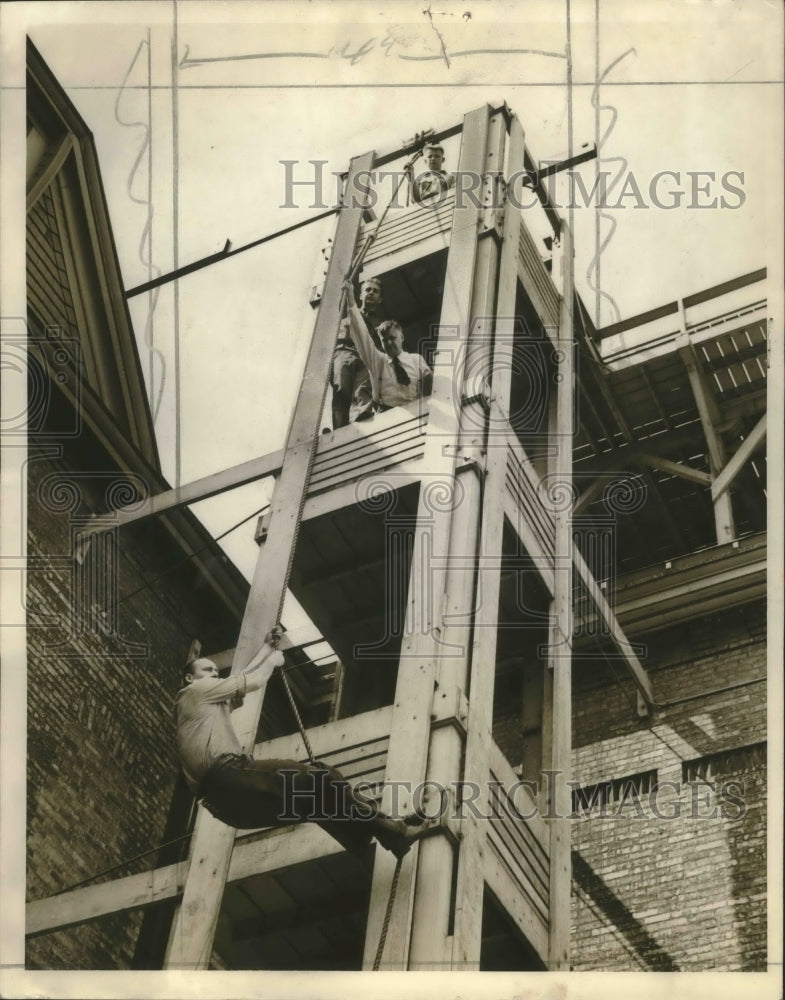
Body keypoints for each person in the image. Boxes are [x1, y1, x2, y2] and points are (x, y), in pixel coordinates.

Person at [175, 636, 427, 858]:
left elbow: (242, 677)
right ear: (189, 677)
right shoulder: (194, 692)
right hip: (228, 776)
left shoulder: (206, 705)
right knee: (324, 778)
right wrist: (273, 662)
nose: (215, 674)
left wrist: (266, 649)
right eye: (208, 670)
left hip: (228, 808)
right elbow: (252, 681)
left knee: (315, 802)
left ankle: (376, 836)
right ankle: (390, 833)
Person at [343, 281, 432, 412]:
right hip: (386, 415)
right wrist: (350, 298)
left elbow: (431, 384)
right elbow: (362, 336)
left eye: (392, 338)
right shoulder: (378, 361)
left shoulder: (416, 359)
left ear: (401, 338)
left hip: (416, 410)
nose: (389, 343)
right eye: (385, 340)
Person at [331, 276, 386, 428]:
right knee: (342, 390)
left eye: (375, 291)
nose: (371, 293)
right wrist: (347, 290)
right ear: (360, 295)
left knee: (363, 390)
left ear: (380, 299)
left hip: (365, 357)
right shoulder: (347, 309)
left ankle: (362, 424)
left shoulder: (380, 325)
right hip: (345, 352)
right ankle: (340, 428)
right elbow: (342, 301)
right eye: (367, 290)